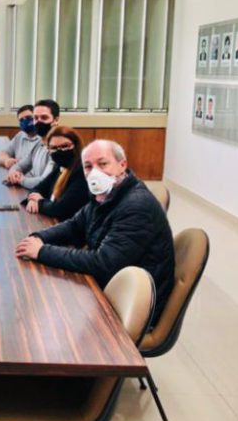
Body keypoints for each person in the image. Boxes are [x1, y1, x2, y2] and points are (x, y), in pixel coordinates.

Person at [14, 139, 174, 324]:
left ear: (122, 165)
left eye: (103, 163)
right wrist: (38, 237)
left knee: (49, 313)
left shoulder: (136, 206)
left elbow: (103, 263)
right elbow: (74, 226)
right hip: (111, 285)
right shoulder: (105, 194)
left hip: (132, 305)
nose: (95, 172)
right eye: (88, 167)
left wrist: (42, 251)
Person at [22, 126, 89, 221]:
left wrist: (39, 202)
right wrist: (32, 199)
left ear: (76, 145)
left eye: (65, 146)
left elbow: (61, 209)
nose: (59, 151)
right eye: (53, 148)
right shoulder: (60, 167)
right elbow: (38, 188)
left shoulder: (82, 172)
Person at [5, 99, 59, 189]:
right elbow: (21, 165)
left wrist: (20, 179)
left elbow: (44, 182)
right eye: (35, 118)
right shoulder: (39, 143)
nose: (38, 122)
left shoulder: (59, 147)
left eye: (44, 118)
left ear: (55, 120)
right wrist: (13, 172)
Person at [0, 104, 41, 169]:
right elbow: (3, 153)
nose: (25, 121)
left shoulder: (43, 139)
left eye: (28, 117)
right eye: (21, 120)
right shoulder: (20, 135)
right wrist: (6, 161)